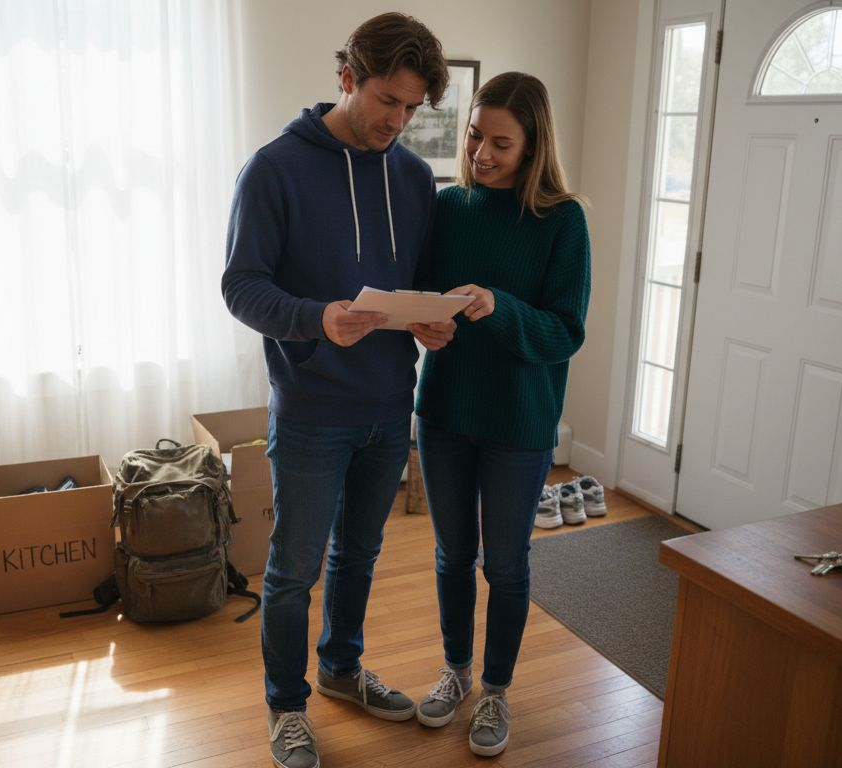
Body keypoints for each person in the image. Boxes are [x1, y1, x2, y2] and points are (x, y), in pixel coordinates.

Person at [221, 13, 454, 768]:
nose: (398, 121)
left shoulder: (413, 179)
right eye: (387, 100)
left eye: (412, 107)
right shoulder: (273, 170)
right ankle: (286, 707)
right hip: (312, 411)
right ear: (347, 77)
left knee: (360, 556)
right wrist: (316, 318)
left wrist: (432, 321)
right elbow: (241, 287)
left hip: (389, 407)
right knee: (294, 572)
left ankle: (341, 669)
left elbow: (416, 282)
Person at [411, 72, 591, 757]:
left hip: (518, 421)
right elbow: (423, 292)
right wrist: (422, 321)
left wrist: (499, 305)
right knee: (452, 556)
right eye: (474, 136)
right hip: (445, 411)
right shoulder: (448, 205)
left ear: (533, 145)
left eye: (501, 144)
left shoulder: (562, 220)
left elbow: (565, 331)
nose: (481, 153)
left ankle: (495, 691)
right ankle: (456, 672)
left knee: (506, 567)